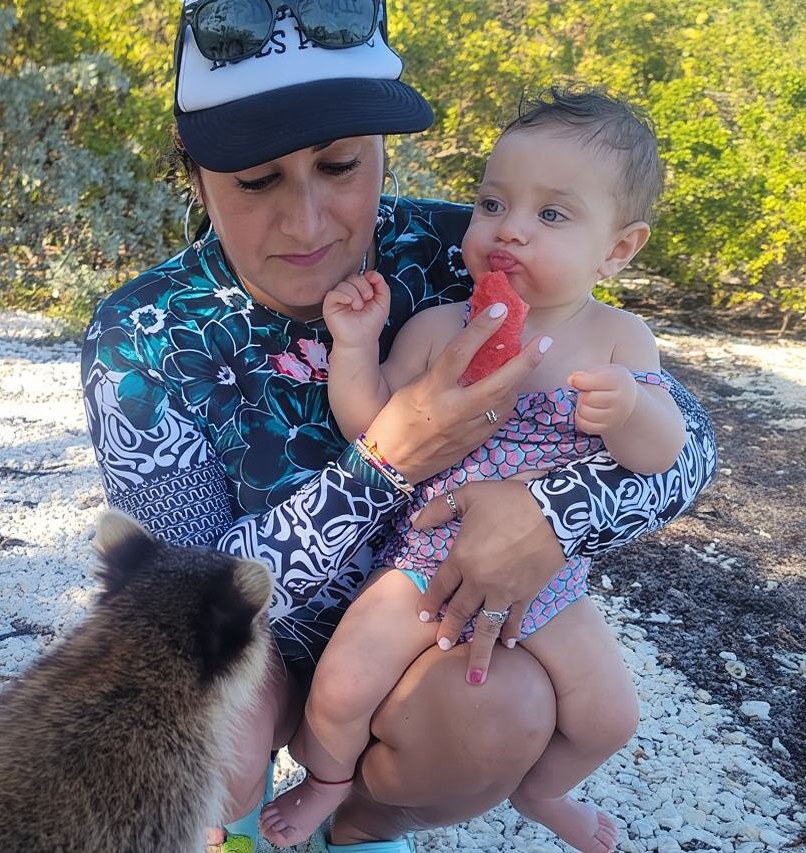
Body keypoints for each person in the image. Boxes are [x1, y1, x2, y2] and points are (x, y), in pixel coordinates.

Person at [79, 1, 718, 850]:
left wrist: (549, 517)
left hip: (433, 623)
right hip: (269, 637)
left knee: (503, 707)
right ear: (194, 176)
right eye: (257, 181)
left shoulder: (472, 248)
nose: (308, 223)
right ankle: (234, 824)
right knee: (202, 724)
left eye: (341, 166)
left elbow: (691, 445)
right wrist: (381, 463)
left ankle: (361, 823)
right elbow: (194, 599)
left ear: (385, 150)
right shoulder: (140, 340)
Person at [258, 88, 686, 853]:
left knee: (609, 715)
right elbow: (370, 423)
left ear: (618, 249)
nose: (510, 229)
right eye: (492, 204)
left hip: (547, 576)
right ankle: (325, 781)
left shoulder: (621, 340)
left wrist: (629, 411)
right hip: (422, 557)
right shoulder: (439, 325)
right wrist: (354, 345)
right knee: (343, 685)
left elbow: (662, 456)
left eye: (552, 215)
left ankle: (544, 790)